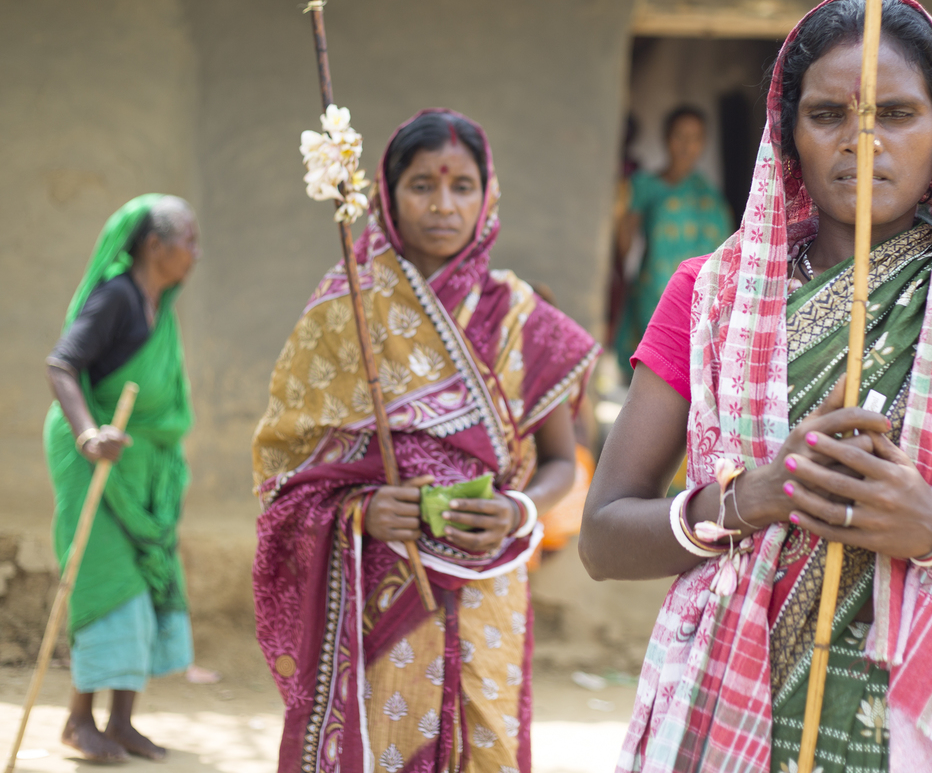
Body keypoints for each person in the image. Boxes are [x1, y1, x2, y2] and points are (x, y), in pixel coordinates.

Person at [582, 0, 932, 773]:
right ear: (787, 135)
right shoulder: (710, 299)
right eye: (827, 114)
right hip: (731, 703)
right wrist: (747, 500)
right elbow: (602, 538)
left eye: (895, 114)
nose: (860, 141)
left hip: (930, 720)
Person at [252, 110, 599, 773]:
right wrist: (358, 512)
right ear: (386, 193)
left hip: (488, 580)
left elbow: (560, 463)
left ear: (487, 194)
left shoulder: (521, 319)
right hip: (379, 580)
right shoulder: (345, 312)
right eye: (421, 186)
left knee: (484, 744)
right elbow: (284, 477)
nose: (443, 206)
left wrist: (518, 510)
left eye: (462, 186)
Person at [44, 194, 200, 763]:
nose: (197, 253)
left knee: (145, 579)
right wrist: (89, 435)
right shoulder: (115, 297)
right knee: (110, 584)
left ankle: (123, 722)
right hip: (95, 461)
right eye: (190, 240)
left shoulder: (157, 306)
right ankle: (78, 721)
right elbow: (63, 364)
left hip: (139, 469)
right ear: (154, 246)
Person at [613, 105, 732, 375]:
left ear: (703, 144)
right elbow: (624, 248)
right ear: (666, 138)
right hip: (651, 292)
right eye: (680, 136)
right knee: (648, 370)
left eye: (695, 138)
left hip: (696, 299)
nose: (686, 146)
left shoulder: (710, 199)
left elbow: (724, 258)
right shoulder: (644, 186)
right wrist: (624, 212)